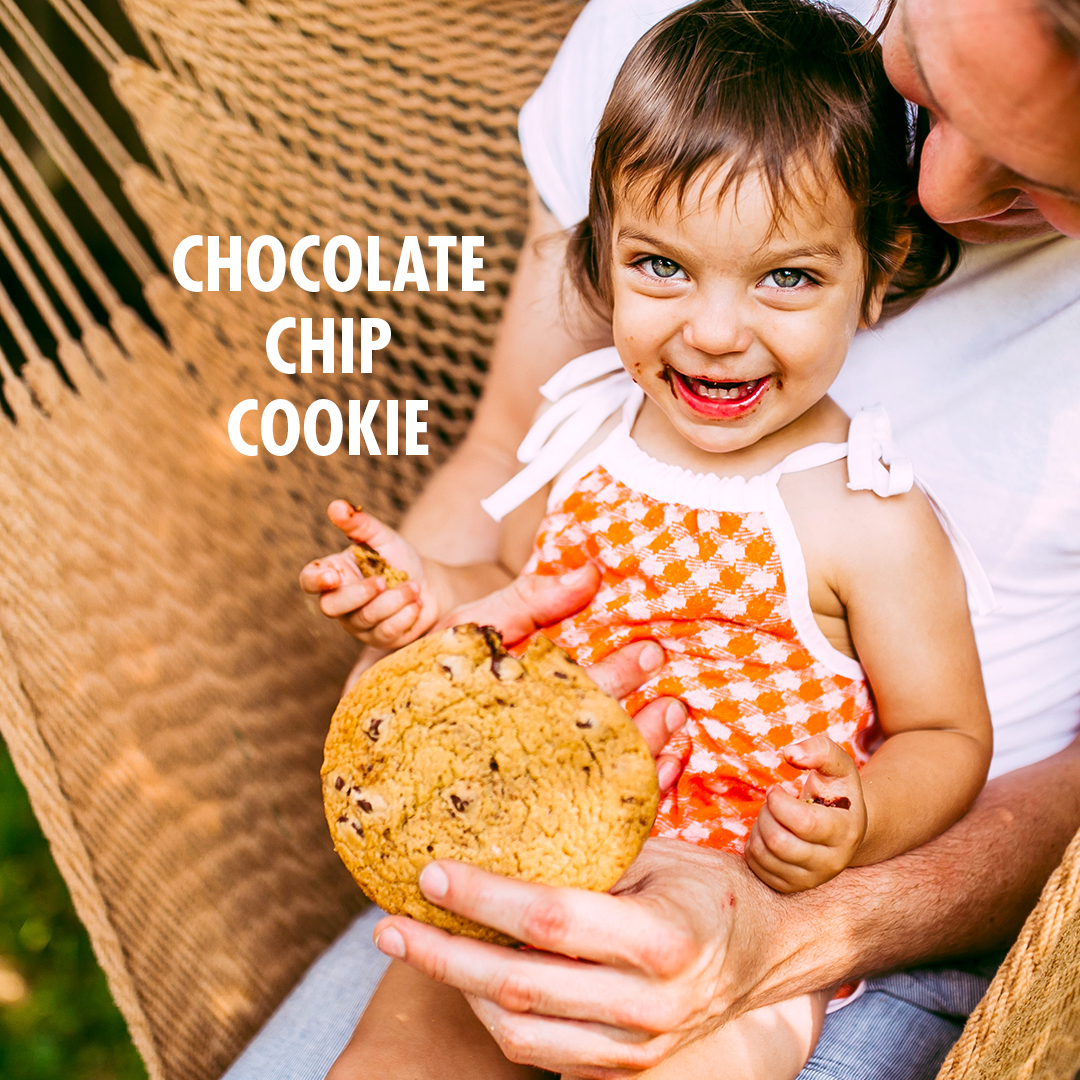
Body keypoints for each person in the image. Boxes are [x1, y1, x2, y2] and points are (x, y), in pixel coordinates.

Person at [222, 0, 1080, 1076]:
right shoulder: (586, 440)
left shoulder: (869, 513)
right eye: (662, 268)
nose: (715, 331)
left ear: (880, 271)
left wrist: (856, 817)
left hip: (746, 904)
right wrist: (424, 603)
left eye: (788, 277)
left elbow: (948, 735)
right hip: (526, 853)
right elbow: (508, 581)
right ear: (600, 261)